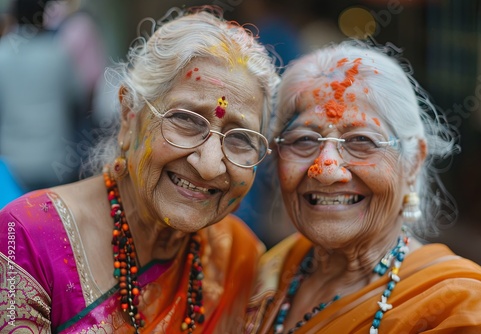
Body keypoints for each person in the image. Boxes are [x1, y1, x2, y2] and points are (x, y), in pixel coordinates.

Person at [0, 6, 279, 333]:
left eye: (241, 138)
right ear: (129, 116)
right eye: (186, 120)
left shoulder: (238, 256)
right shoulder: (30, 236)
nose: (208, 164)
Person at [245, 40, 481, 333]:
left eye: (361, 141)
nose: (326, 171)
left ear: (414, 161)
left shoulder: (458, 309)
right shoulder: (271, 269)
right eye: (304, 140)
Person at [0, 0, 88, 192]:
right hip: (55, 163)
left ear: (13, 16)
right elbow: (78, 99)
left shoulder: (3, 54)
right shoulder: (58, 53)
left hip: (11, 165)